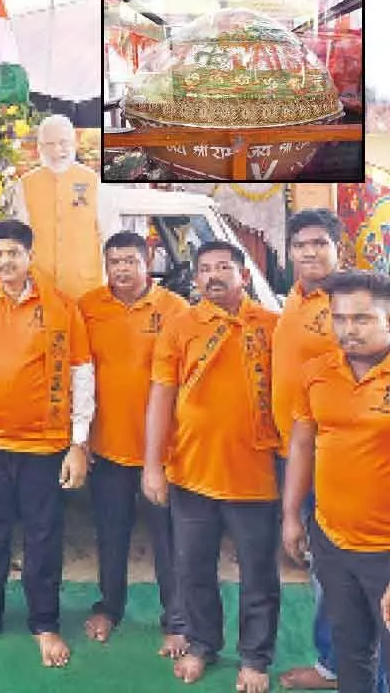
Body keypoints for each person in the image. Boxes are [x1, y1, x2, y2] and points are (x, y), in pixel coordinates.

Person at [0, 219, 93, 667]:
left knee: (44, 537)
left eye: (13, 252)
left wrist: (78, 443)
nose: (5, 261)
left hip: (44, 446)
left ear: (30, 256)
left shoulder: (61, 307)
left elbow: (81, 376)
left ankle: (44, 623)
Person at [143, 241, 281, 693]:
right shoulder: (180, 327)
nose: (215, 275)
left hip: (255, 477)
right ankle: (203, 644)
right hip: (191, 472)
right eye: (205, 269)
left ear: (244, 275)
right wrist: (152, 465)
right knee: (194, 568)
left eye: (225, 267)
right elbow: (161, 396)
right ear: (195, 279)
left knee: (258, 572)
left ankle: (255, 658)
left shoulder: (271, 326)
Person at [273, 210, 383, 691]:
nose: (348, 329)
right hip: (331, 528)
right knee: (349, 636)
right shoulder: (317, 363)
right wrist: (293, 513)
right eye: (340, 319)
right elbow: (302, 438)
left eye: (362, 318)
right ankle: (339, 672)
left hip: (384, 545)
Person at [78, 231, 189, 654]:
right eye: (114, 261)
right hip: (107, 449)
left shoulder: (175, 310)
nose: (121, 269)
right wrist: (81, 439)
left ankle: (177, 620)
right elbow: (78, 374)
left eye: (130, 260)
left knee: (169, 540)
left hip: (163, 454)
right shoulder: (89, 308)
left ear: (149, 261)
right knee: (110, 534)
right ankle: (109, 607)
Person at [9, 113, 120, 301]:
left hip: (87, 292)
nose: (56, 151)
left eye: (63, 143)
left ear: (74, 143)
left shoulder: (93, 182)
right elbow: (18, 242)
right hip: (40, 293)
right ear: (39, 147)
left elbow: (112, 237)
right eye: (49, 144)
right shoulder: (25, 184)